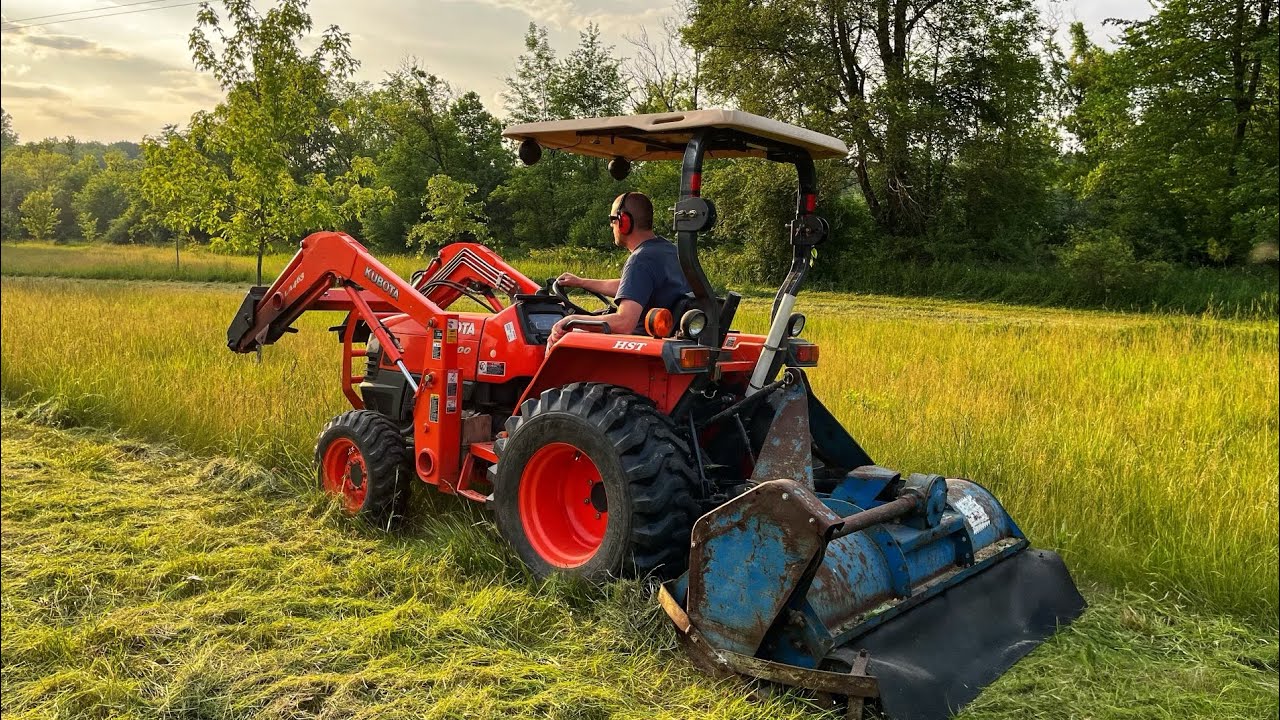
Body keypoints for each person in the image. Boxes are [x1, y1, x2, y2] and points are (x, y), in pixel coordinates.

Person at [547, 191, 691, 346]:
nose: (611, 225)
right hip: (671, 341)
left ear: (624, 222)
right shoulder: (671, 251)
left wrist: (572, 320)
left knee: (560, 338)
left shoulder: (640, 259)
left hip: (640, 346)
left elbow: (624, 323)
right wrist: (581, 282)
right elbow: (633, 287)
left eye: (613, 219)